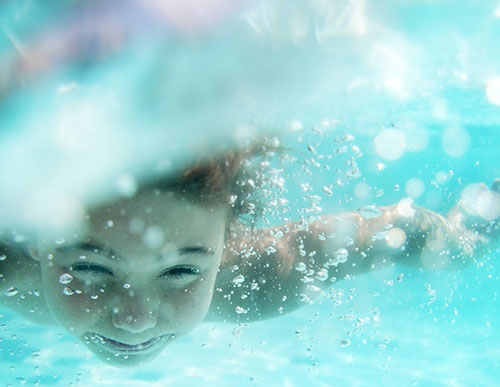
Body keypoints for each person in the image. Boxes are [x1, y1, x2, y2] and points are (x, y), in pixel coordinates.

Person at [1, 147, 499, 367]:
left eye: (180, 270)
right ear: (35, 236)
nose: (134, 320)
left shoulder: (261, 279)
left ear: (227, 243)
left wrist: (467, 230)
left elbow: (395, 227)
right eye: (90, 267)